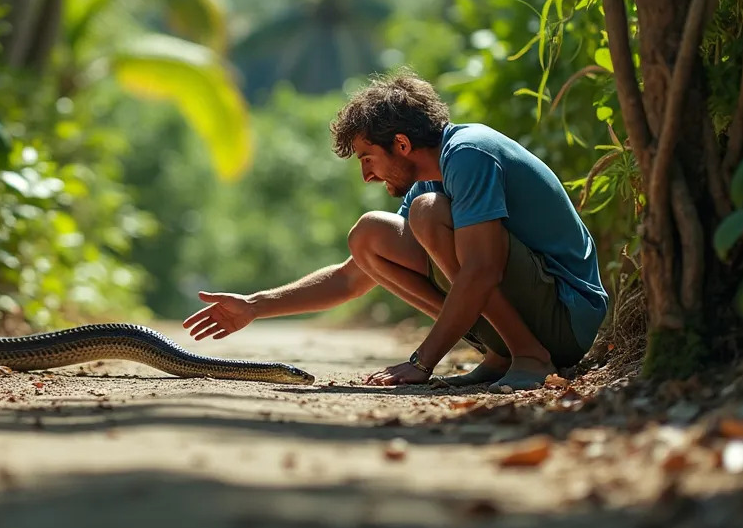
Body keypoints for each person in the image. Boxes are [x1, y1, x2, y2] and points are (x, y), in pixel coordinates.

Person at [181, 70, 609, 392]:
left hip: (567, 316)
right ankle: (502, 353)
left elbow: (482, 270)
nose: (367, 175)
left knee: (424, 214)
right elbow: (352, 276)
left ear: (402, 145)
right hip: (538, 309)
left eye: (368, 158)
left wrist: (422, 362)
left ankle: (528, 355)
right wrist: (256, 305)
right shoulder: (429, 178)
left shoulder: (469, 154)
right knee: (370, 237)